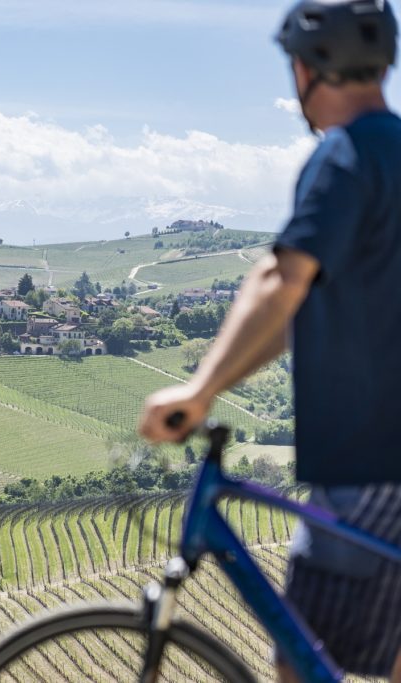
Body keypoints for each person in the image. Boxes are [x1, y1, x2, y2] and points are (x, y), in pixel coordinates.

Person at [140, 0, 401, 679]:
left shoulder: (344, 157)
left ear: (307, 67)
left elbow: (283, 284)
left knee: (300, 661)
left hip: (366, 463)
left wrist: (199, 391)